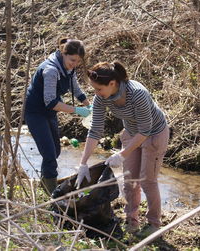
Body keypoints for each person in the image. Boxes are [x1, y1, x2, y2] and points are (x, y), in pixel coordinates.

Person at [76, 61, 170, 236]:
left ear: (112, 84)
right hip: (132, 132)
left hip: (154, 134)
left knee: (147, 181)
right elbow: (95, 130)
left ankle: (154, 225)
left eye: (98, 89)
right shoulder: (102, 98)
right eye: (94, 89)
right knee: (130, 181)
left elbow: (145, 130)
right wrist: (83, 163)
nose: (96, 93)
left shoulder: (137, 94)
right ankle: (131, 221)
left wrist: (121, 154)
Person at [24, 38, 92, 195]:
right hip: (35, 112)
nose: (74, 64)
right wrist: (76, 110)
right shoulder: (51, 70)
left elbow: (75, 87)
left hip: (49, 112)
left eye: (78, 62)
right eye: (72, 60)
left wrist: (87, 105)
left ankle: (43, 184)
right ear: (63, 53)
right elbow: (50, 102)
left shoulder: (69, 69)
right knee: (49, 156)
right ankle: (51, 196)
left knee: (55, 151)